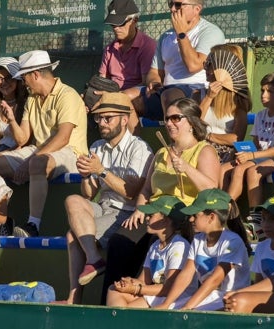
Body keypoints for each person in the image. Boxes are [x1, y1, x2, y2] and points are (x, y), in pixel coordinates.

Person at [101, 97, 220, 304]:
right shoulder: (161, 152)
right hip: (155, 210)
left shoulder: (204, 150)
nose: (169, 123)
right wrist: (140, 209)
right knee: (120, 242)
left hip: (183, 214)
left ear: (191, 122)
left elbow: (212, 190)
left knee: (158, 239)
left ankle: (150, 295)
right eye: (167, 119)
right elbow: (147, 189)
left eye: (176, 118)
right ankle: (113, 300)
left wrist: (186, 168)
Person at [59, 92, 153, 304]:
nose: (102, 123)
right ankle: (94, 258)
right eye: (98, 118)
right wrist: (85, 176)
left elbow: (132, 193)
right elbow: (88, 194)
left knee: (72, 236)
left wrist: (101, 171)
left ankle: (74, 297)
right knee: (72, 200)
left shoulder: (139, 148)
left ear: (124, 119)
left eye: (107, 118)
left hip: (126, 212)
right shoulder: (96, 147)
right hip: (102, 206)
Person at [0, 50, 88, 238]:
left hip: (72, 154)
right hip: (40, 152)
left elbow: (63, 138)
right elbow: (22, 139)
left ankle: (33, 225)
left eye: (23, 77)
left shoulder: (68, 95)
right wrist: (12, 120)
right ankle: (2, 221)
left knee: (37, 163)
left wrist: (31, 160)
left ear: (36, 75)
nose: (22, 83)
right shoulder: (32, 99)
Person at [220, 72, 274, 240]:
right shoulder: (260, 115)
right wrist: (243, 153)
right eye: (262, 90)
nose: (264, 95)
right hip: (258, 156)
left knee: (249, 171)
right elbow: (257, 143)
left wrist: (251, 155)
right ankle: (223, 207)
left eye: (270, 91)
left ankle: (254, 220)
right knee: (226, 168)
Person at [126, 0, 225, 121]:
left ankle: (178, 140)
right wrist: (154, 82)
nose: (172, 9)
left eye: (178, 5)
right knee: (121, 99)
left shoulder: (211, 32)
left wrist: (181, 34)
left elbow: (193, 65)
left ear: (197, 9)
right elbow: (155, 72)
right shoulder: (166, 36)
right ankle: (132, 140)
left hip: (196, 91)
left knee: (170, 96)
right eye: (170, 4)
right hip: (166, 91)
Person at [153, 188, 251, 310]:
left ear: (211, 217)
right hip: (207, 297)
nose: (190, 219)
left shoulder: (232, 241)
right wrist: (166, 304)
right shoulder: (198, 239)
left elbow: (215, 280)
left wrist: (187, 308)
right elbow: (186, 275)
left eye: (195, 215)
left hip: (229, 300)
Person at [106, 195, 195, 307]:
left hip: (177, 298)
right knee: (113, 289)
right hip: (159, 294)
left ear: (165, 221)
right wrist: (129, 282)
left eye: (151, 215)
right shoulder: (155, 245)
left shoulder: (179, 246)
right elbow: (143, 281)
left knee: (130, 308)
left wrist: (136, 289)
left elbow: (169, 288)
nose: (147, 218)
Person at [222, 196, 274, 313]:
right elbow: (259, 281)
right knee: (232, 302)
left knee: (237, 301)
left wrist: (247, 296)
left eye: (273, 219)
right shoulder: (262, 246)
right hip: (267, 296)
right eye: (263, 219)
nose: (266, 224)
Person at [99, 0, 156, 133]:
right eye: (113, 24)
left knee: (122, 100)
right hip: (113, 95)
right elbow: (102, 79)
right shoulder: (109, 49)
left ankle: (138, 145)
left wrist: (118, 97)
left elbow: (146, 83)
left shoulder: (148, 45)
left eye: (120, 23)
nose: (116, 28)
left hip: (139, 96)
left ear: (135, 20)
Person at [200, 44, 252, 163]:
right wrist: (208, 98)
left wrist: (207, 136)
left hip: (225, 151)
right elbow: (193, 124)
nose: (205, 68)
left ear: (224, 66)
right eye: (205, 63)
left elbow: (236, 138)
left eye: (209, 64)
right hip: (200, 147)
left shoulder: (239, 99)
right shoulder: (199, 94)